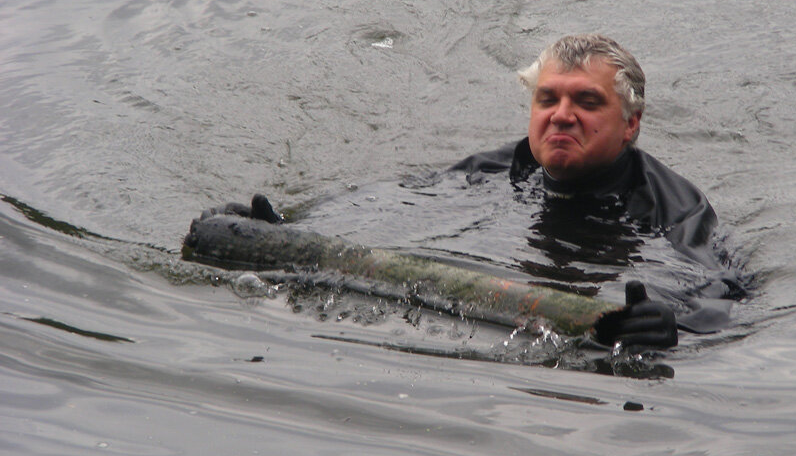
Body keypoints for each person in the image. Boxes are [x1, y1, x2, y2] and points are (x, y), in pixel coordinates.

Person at [210, 34, 740, 356]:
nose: (561, 115)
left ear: (630, 124)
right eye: (547, 99)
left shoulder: (674, 206)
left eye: (586, 101)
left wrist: (675, 323)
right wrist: (289, 227)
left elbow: (719, 292)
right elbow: (395, 204)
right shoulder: (496, 172)